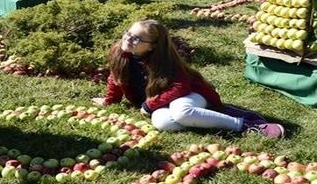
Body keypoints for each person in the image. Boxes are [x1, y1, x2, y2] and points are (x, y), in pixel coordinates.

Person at [91, 20, 284, 138]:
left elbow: (180, 87)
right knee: (163, 123)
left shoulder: (165, 60)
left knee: (182, 112)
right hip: (161, 103)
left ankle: (246, 125)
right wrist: (109, 100)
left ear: (152, 46)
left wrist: (149, 105)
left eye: (137, 39)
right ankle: (204, 116)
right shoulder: (120, 52)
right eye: (129, 33)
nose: (128, 39)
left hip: (189, 94)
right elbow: (116, 77)